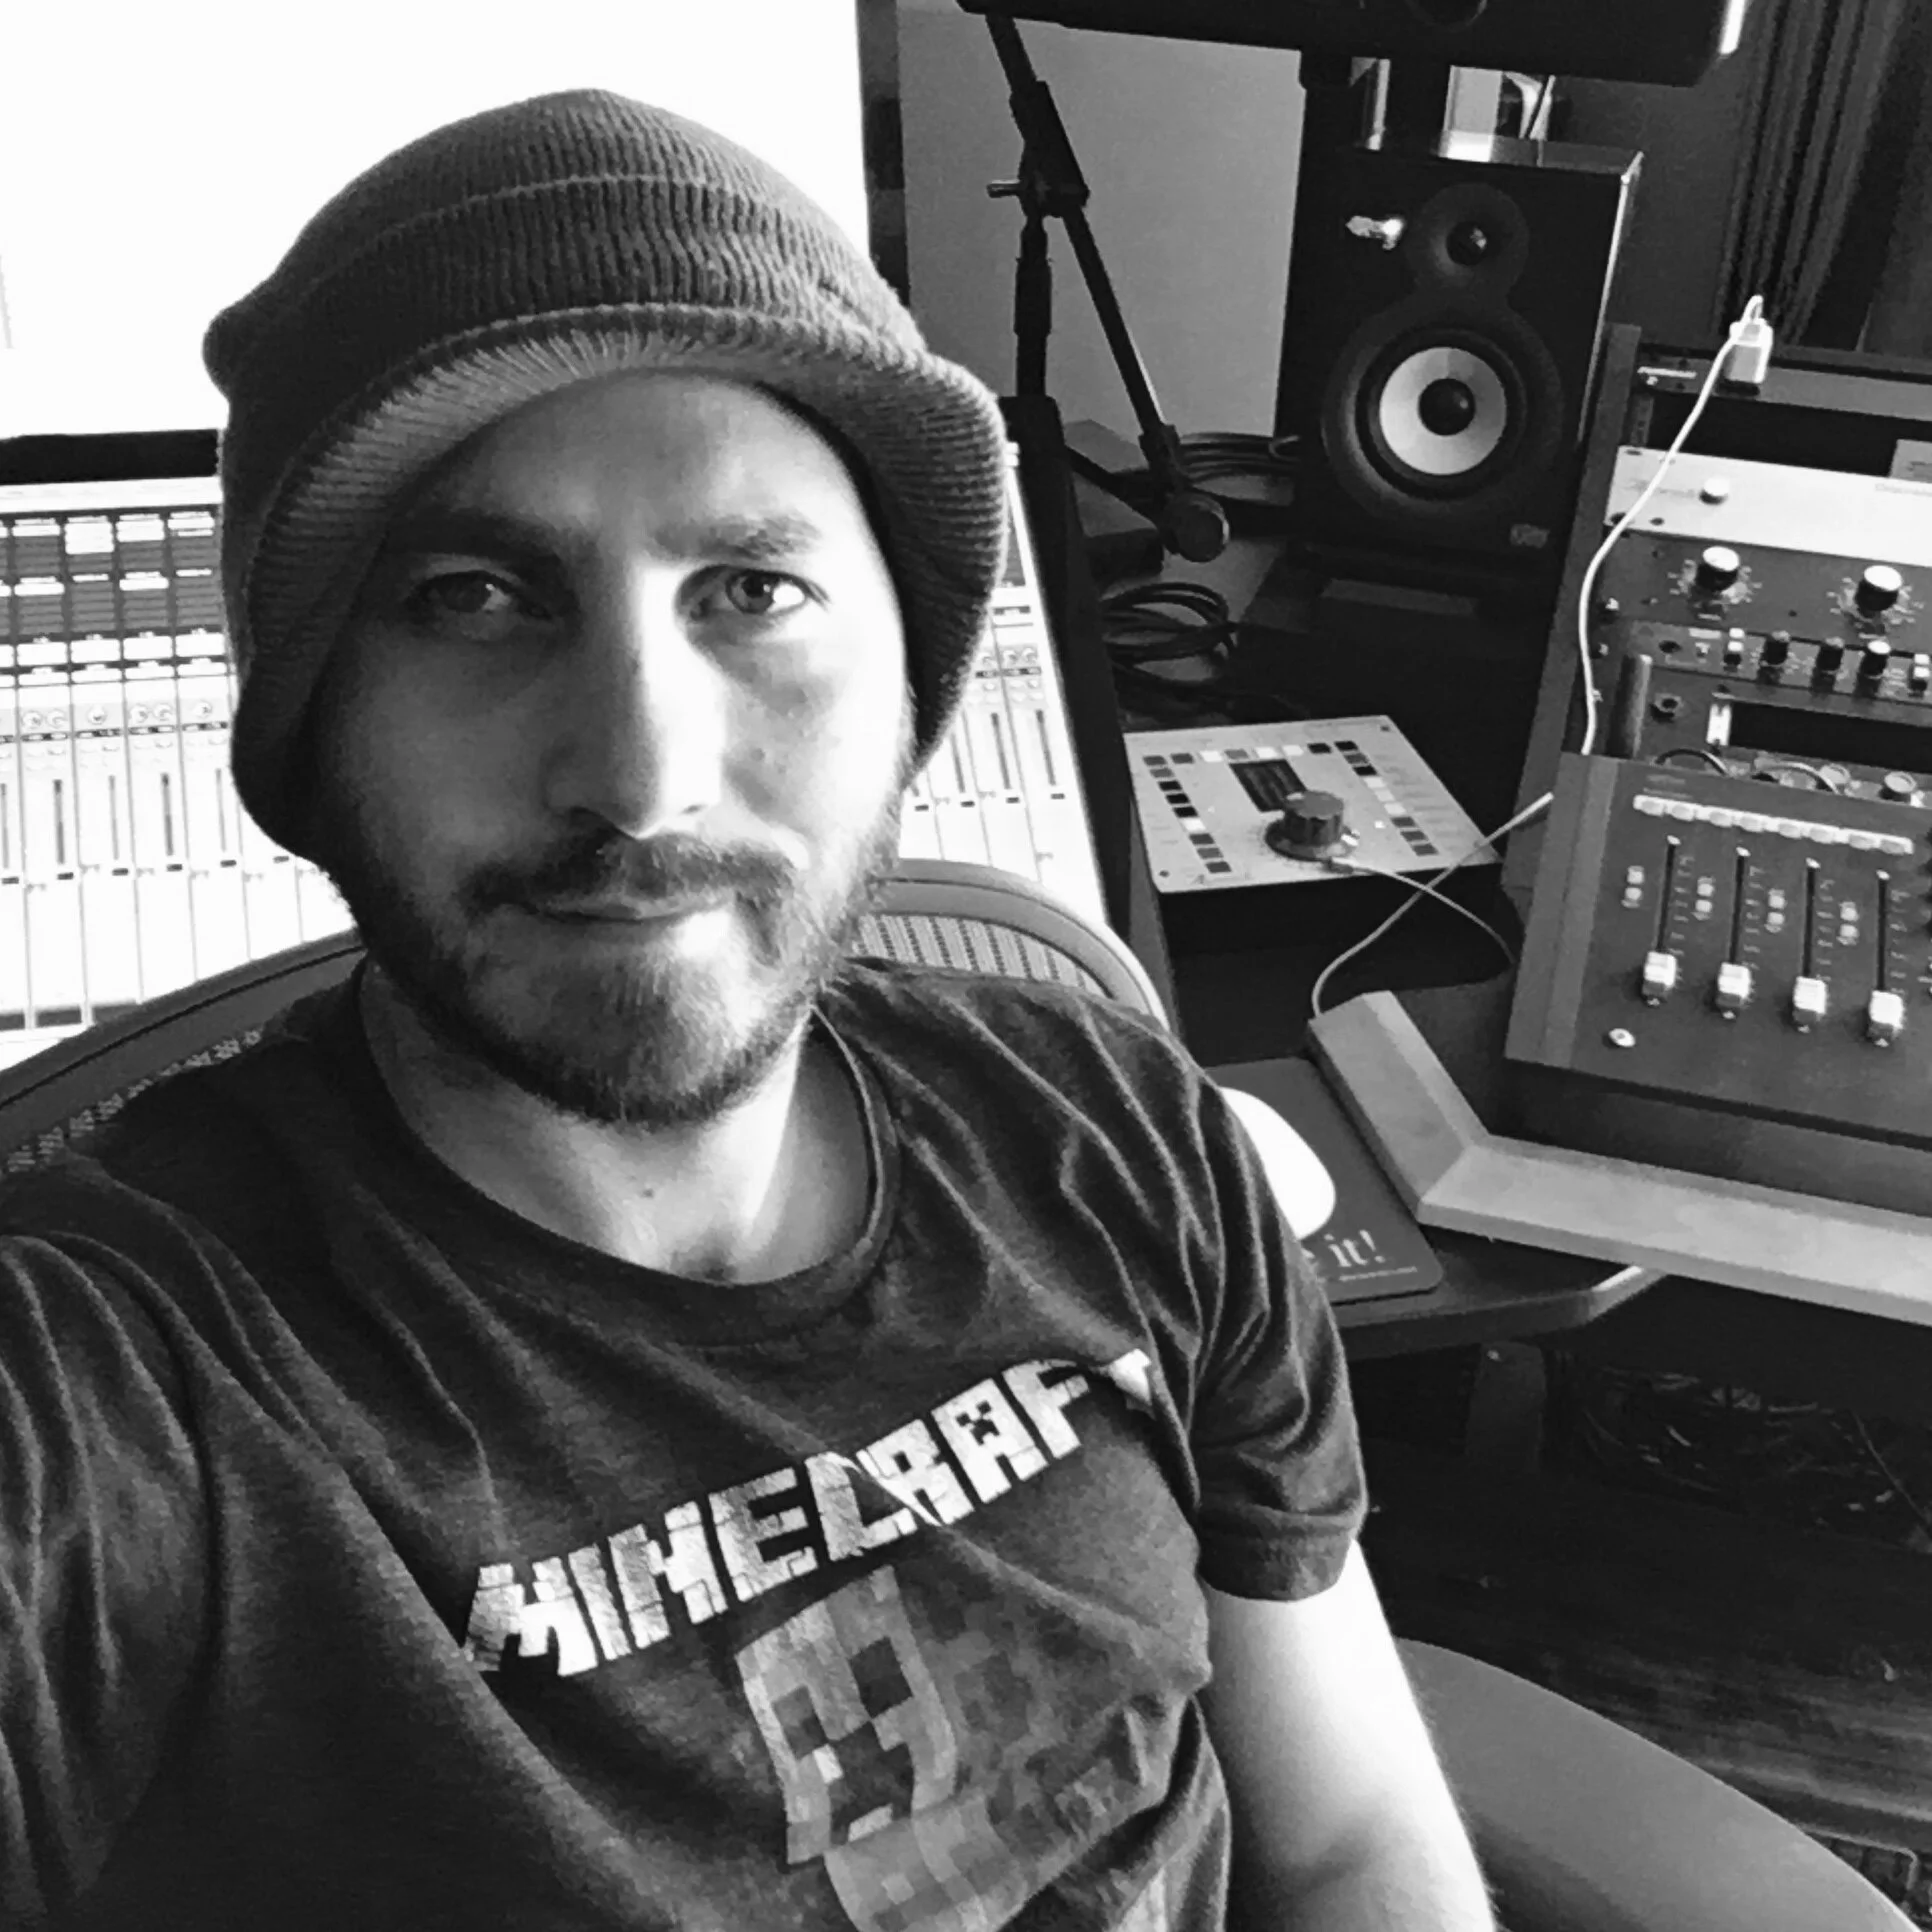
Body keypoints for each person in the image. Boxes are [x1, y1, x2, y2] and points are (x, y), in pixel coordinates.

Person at [0, 90, 1494, 1930]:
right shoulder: (120, 1369)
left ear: (911, 684)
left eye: (753, 589)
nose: (642, 779)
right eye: (475, 598)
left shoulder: (1125, 1137)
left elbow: (1347, 1845)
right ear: (316, 720)